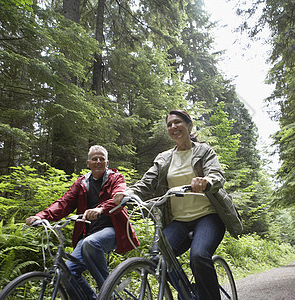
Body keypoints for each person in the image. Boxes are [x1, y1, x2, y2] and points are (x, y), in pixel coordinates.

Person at [114, 110, 242, 299]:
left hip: (208, 216)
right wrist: (129, 192)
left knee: (198, 256)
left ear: (189, 126)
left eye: (178, 122)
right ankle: (186, 293)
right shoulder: (164, 158)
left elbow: (217, 175)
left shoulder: (203, 151)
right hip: (179, 221)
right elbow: (147, 181)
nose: (173, 127)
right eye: (169, 124)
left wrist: (206, 181)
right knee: (158, 258)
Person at [26, 145, 139, 299]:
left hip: (113, 229)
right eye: (94, 159)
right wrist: (42, 216)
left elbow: (118, 196)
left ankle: (108, 294)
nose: (98, 162)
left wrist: (100, 209)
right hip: (88, 234)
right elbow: (64, 203)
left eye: (101, 159)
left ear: (107, 163)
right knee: (68, 272)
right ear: (88, 163)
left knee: (90, 243)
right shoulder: (81, 183)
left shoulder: (115, 178)